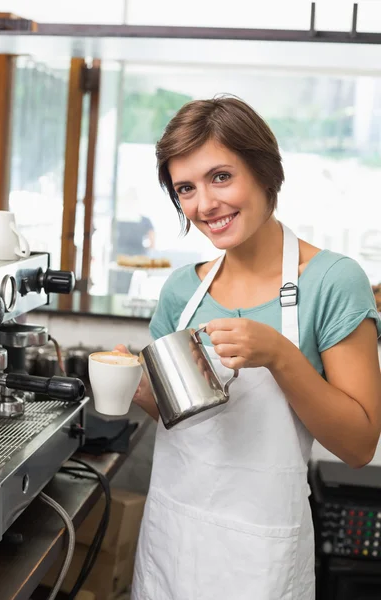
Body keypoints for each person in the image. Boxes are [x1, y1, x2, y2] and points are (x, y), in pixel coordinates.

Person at [115, 96, 381, 600]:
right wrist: (140, 391)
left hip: (261, 560)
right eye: (186, 189)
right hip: (174, 540)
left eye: (220, 177)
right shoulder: (180, 292)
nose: (205, 205)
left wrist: (280, 355)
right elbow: (187, 425)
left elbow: (358, 445)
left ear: (264, 172)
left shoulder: (332, 281)